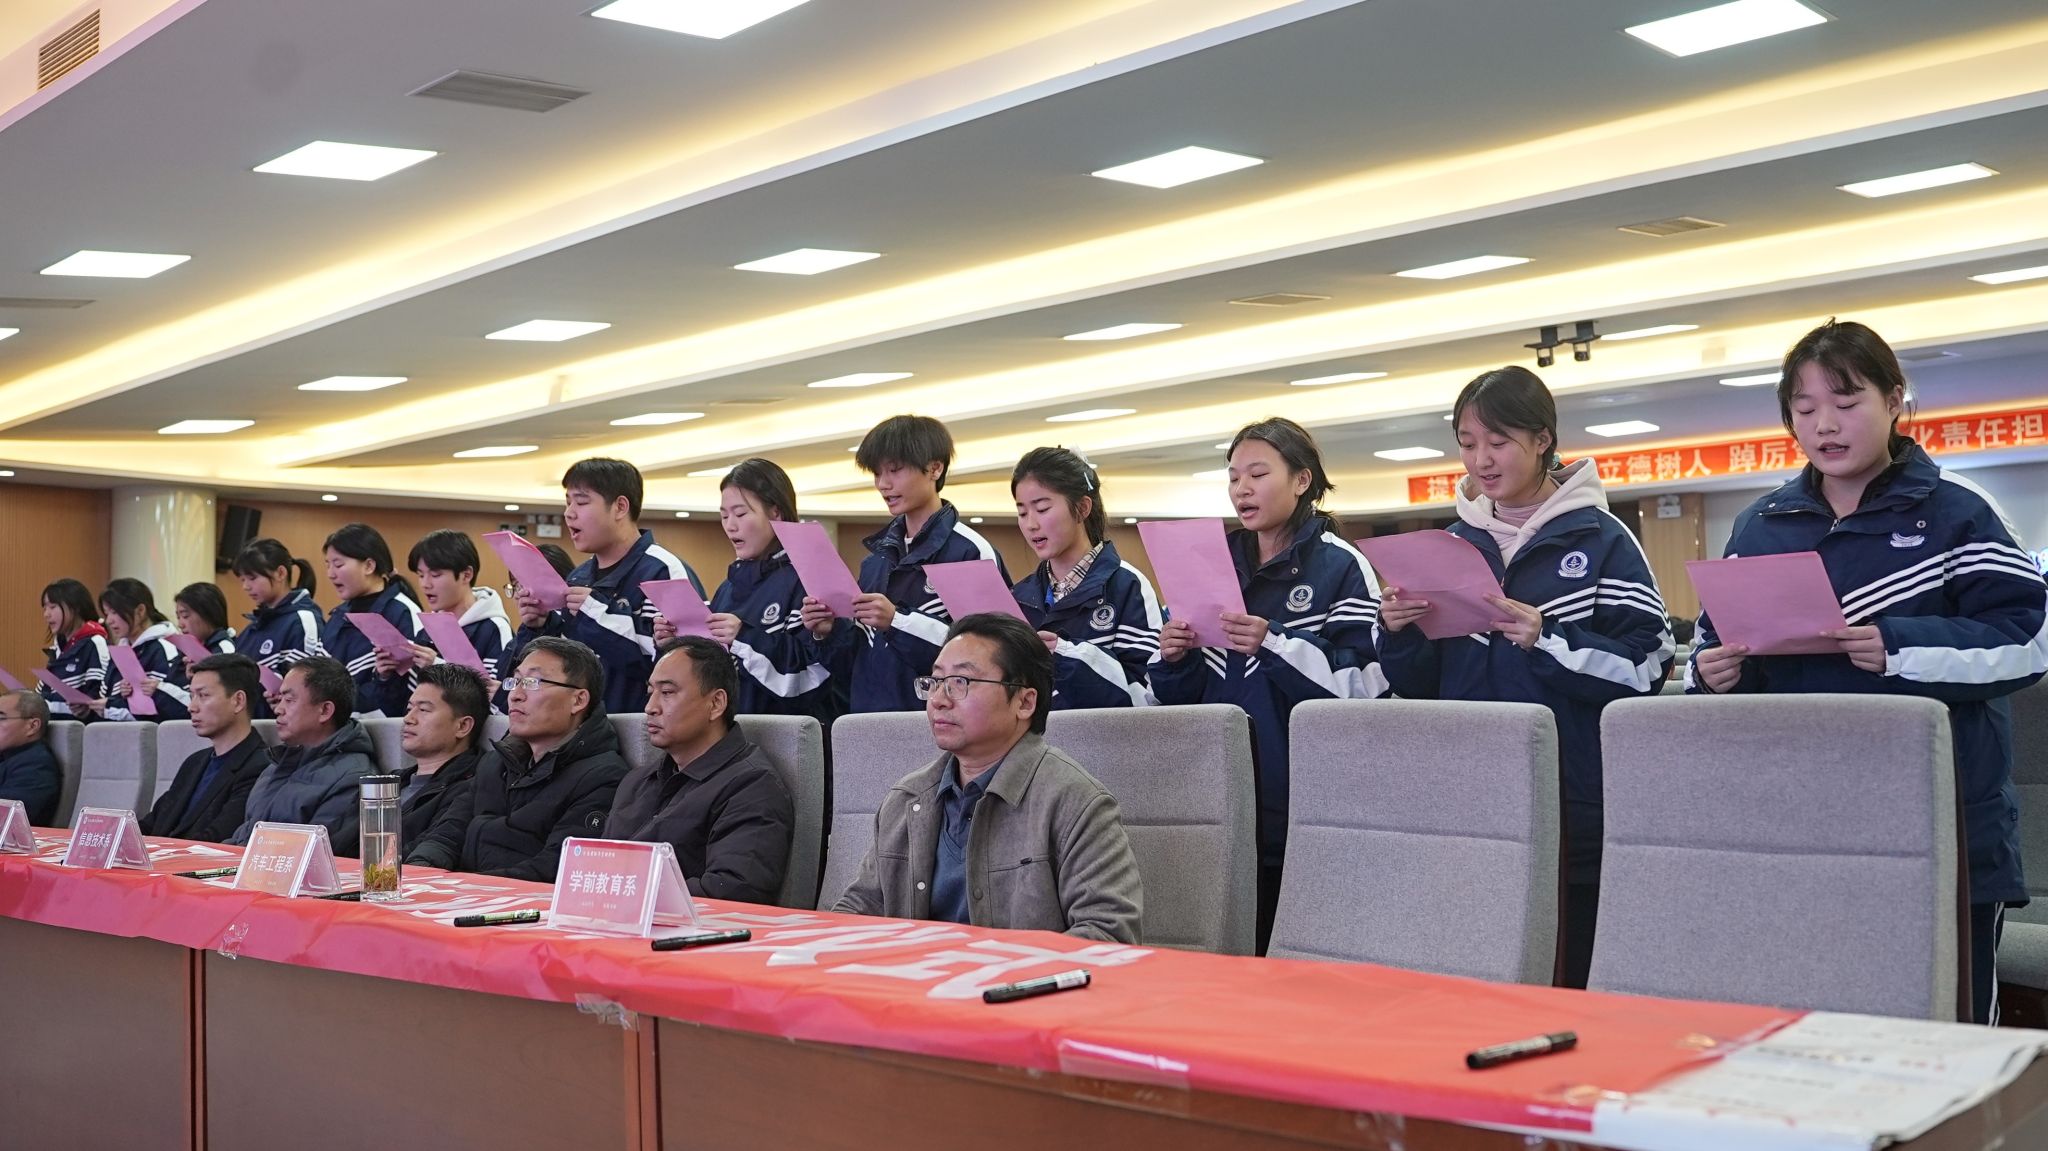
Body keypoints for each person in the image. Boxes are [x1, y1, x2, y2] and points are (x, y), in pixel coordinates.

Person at [1688, 319, 2048, 1024]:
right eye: (1804, 408)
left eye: (1846, 402)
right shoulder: (1761, 525)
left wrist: (1899, 646)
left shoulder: (1958, 513)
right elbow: (1712, 638)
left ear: (1893, 399)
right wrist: (1714, 672)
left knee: (1950, 1031)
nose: (1825, 424)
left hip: (1942, 821)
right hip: (1804, 822)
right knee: (1820, 1023)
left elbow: (2027, 641)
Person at [1377, 366, 1673, 989]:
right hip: (1472, 792)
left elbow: (1647, 667)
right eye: (1467, 443)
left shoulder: (1602, 539)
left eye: (1498, 441)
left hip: (1573, 795)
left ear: (1542, 440)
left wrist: (1547, 638)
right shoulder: (1453, 543)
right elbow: (1424, 686)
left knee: (1571, 966)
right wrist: (1400, 633)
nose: (1480, 460)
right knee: (1477, 963)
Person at [1149, 417, 1384, 953]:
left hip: (1304, 802)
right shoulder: (1208, 562)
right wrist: (1173, 658)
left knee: (1298, 954)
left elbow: (1366, 687)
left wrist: (1275, 643)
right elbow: (1174, 698)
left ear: (1301, 480)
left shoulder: (1340, 565)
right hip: (1216, 797)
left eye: (1258, 474)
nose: (1242, 489)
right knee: (1223, 952)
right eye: (1234, 477)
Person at [833, 613, 1142, 942]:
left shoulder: (1076, 802)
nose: (938, 700)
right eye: (935, 681)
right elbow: (860, 907)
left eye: (960, 682)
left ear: (1024, 702)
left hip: (1020, 976)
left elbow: (1109, 933)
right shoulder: (907, 798)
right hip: (911, 974)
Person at [800, 415, 1009, 714]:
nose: (883, 484)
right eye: (877, 473)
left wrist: (897, 621)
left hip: (939, 721)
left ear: (935, 468)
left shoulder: (968, 550)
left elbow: (989, 654)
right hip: (867, 721)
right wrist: (827, 632)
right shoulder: (875, 561)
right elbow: (857, 665)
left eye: (895, 470)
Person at [407, 637, 627, 880]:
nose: (514, 696)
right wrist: (418, 874)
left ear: (578, 700)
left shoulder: (603, 778)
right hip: (464, 893)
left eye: (532, 682)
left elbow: (555, 869)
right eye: (515, 682)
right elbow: (446, 835)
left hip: (518, 900)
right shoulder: (494, 764)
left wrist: (460, 887)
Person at [607, 636, 795, 904]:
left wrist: (628, 895)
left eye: (667, 693)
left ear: (716, 703)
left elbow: (733, 891)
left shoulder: (752, 787)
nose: (650, 708)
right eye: (650, 693)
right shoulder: (637, 781)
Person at [511, 458, 704, 715]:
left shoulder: (663, 571)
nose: (569, 513)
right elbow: (561, 668)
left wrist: (597, 614)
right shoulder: (578, 577)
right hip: (580, 727)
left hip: (640, 728)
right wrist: (540, 626)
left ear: (620, 507)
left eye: (581, 502)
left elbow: (679, 667)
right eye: (568, 502)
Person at [656, 459, 834, 722]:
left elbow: (810, 678)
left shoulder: (808, 578)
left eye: (740, 514)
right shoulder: (728, 588)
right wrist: (675, 642)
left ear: (775, 512)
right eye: (724, 516)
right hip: (731, 732)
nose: (730, 525)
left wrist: (743, 637)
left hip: (788, 734)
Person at [1009, 447, 1162, 708]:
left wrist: (1067, 654)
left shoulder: (1127, 585)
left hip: (1104, 733)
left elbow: (1147, 693)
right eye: (1022, 513)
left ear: (1082, 508)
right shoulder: (1018, 596)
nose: (1031, 524)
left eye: (1042, 509)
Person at [226, 656, 377, 854]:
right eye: (280, 699)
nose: (278, 709)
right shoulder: (275, 767)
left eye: (289, 700)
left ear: (325, 710)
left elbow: (315, 857)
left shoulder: (353, 779)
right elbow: (243, 837)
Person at [139, 654, 268, 843]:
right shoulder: (195, 762)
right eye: (192, 696)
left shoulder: (260, 768)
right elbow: (153, 822)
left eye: (203, 696)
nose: (191, 707)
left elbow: (217, 839)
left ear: (238, 701)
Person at [316, 523, 424, 719]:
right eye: (328, 565)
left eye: (338, 565)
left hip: (383, 730)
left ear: (369, 566)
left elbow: (414, 690)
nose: (330, 574)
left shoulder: (402, 612)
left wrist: (383, 678)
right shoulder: (338, 616)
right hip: (333, 726)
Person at [399, 529, 514, 684]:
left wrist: (438, 665)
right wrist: (385, 676)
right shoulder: (428, 630)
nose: (425, 584)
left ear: (466, 575)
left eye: (435, 575)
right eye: (420, 575)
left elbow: (498, 693)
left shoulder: (495, 629)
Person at [395, 664, 489, 851]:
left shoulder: (471, 789)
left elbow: (427, 853)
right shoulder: (392, 780)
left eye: (423, 710)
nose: (408, 719)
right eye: (409, 709)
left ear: (462, 726)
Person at [231, 538, 324, 714]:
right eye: (242, 579)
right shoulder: (252, 628)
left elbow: (306, 687)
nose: (245, 586)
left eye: (252, 578)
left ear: (280, 573)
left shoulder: (302, 621)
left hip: (280, 725)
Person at [99, 578, 190, 722]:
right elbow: (105, 696)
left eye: (114, 612)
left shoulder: (164, 647)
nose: (109, 620)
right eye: (106, 613)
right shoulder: (120, 651)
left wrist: (110, 707)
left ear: (140, 611)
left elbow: (166, 707)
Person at [37, 578, 107, 719]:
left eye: (52, 607)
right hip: (54, 725)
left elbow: (96, 697)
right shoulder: (57, 649)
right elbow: (42, 695)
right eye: (45, 608)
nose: (46, 614)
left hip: (79, 727)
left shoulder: (95, 642)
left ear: (75, 607)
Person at [0, 690, 60, 826]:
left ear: (32, 726)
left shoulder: (36, 765)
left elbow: (7, 818)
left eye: (1, 718)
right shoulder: (8, 754)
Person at [173, 582, 238, 654]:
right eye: (178, 617)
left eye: (185, 616)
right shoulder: (187, 648)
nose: (180, 625)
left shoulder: (224, 649)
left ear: (209, 613)